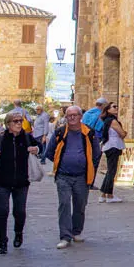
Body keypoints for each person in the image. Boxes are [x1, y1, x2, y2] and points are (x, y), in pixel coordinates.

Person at [0, 109, 41, 254]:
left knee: (19, 211)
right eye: (16, 121)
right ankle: (2, 241)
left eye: (21, 121)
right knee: (2, 211)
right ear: (8, 124)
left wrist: (36, 148)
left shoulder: (26, 138)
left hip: (21, 181)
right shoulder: (0, 139)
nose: (19, 124)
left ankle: (18, 233)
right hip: (2, 180)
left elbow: (41, 147)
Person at [43, 105, 103, 249]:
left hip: (82, 176)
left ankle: (76, 231)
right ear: (66, 117)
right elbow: (50, 152)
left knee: (80, 204)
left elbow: (96, 153)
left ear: (80, 116)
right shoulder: (60, 132)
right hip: (63, 175)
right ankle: (65, 236)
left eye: (75, 115)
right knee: (64, 204)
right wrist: (62, 162)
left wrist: (87, 166)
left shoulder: (89, 133)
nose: (72, 117)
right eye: (69, 115)